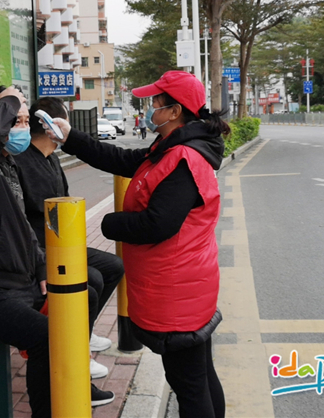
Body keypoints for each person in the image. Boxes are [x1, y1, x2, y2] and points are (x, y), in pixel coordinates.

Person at [44, 71, 227, 418]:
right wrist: (70, 137)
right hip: (186, 284)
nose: (149, 107)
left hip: (176, 290)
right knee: (200, 374)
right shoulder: (170, 147)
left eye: (156, 101)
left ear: (175, 111)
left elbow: (158, 224)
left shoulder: (184, 158)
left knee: (189, 382)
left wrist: (108, 223)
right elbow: (121, 160)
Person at [0, 85, 114, 418]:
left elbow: (22, 227)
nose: (22, 128)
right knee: (46, 338)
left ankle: (76, 385)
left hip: (20, 283)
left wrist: (40, 268)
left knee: (86, 293)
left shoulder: (8, 164)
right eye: (15, 119)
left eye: (24, 121)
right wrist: (9, 97)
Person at [14, 97, 125, 379]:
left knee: (113, 266)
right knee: (92, 278)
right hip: (40, 251)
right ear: (51, 125)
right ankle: (76, 352)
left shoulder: (51, 158)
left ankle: (83, 332)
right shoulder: (23, 162)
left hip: (60, 246)